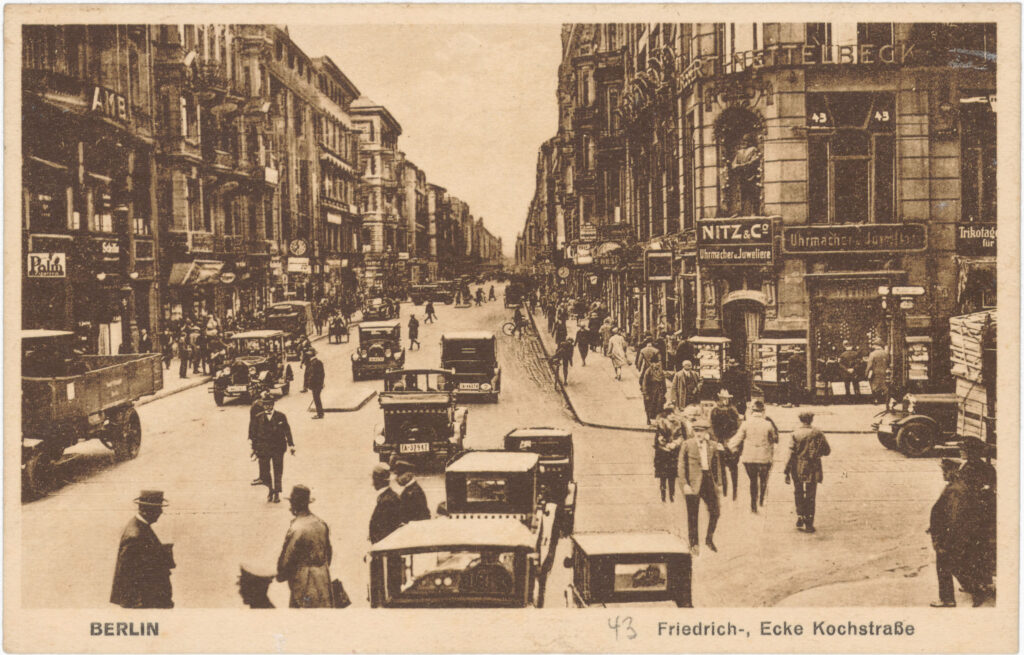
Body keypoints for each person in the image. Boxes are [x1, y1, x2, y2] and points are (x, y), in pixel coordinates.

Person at [110, 490, 175, 608]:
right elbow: (129, 574)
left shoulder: (141, 527)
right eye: (157, 509)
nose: (161, 512)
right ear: (146, 510)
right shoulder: (136, 535)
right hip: (145, 602)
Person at [928, 458, 979, 607]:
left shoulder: (955, 490)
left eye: (944, 471)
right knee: (956, 565)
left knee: (944, 565)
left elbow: (954, 517)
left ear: (953, 472)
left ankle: (947, 599)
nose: (943, 474)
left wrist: (944, 539)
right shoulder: (956, 487)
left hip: (949, 535)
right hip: (951, 533)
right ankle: (974, 588)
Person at [276, 485, 333, 608]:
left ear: (296, 504)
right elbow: (329, 553)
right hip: (323, 580)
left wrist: (281, 574)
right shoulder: (321, 523)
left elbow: (287, 558)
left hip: (303, 582)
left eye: (292, 502)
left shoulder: (297, 528)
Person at [680, 417, 725, 555]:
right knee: (693, 515)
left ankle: (709, 539)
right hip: (693, 483)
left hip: (708, 481)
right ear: (693, 432)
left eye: (701, 431)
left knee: (715, 511)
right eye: (696, 431)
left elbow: (716, 466)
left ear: (706, 432)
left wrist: (719, 484)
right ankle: (694, 544)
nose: (699, 433)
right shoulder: (687, 444)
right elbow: (681, 466)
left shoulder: (712, 445)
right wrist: (685, 484)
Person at [727, 400, 778, 513]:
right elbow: (774, 438)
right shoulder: (768, 424)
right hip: (764, 458)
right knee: (764, 479)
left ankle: (753, 505)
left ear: (751, 411)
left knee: (753, 481)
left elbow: (737, 438)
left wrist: (729, 447)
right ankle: (761, 500)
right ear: (763, 411)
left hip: (749, 458)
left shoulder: (746, 423)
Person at [784, 411, 831, 533]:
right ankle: (809, 522)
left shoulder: (795, 433)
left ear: (800, 420)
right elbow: (827, 451)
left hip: (797, 465)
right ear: (811, 420)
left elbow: (790, 453)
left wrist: (786, 470)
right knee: (811, 494)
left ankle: (800, 515)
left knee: (798, 491)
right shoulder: (818, 433)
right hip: (813, 466)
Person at [249, 396, 295, 502]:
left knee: (278, 471)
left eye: (270, 404)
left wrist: (291, 445)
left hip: (278, 448)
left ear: (273, 405)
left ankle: (277, 493)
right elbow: (254, 434)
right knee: (264, 472)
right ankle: (270, 489)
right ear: (263, 406)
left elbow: (287, 431)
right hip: (263, 449)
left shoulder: (281, 416)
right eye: (266, 405)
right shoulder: (258, 417)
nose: (268, 407)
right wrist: (253, 449)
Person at [710, 389, 741, 501]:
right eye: (723, 398)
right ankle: (725, 492)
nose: (725, 400)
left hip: (731, 443)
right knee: (722, 470)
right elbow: (713, 428)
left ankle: (735, 492)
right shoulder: (715, 411)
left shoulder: (733, 410)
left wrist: (734, 441)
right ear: (720, 399)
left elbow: (738, 427)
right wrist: (718, 442)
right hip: (721, 443)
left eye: (727, 398)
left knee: (733, 468)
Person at [653, 406, 683, 502]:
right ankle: (663, 494)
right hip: (663, 453)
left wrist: (675, 443)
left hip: (673, 453)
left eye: (673, 414)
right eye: (670, 414)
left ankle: (672, 495)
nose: (673, 416)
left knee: (672, 475)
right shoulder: (661, 424)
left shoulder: (678, 424)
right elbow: (659, 437)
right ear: (666, 415)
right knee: (663, 475)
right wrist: (666, 445)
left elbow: (680, 436)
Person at [369, 464, 402, 544]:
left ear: (378, 481)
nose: (372, 483)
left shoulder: (387, 501)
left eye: (373, 479)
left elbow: (386, 529)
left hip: (385, 546)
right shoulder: (389, 496)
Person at [392, 459, 431, 524]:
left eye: (399, 475)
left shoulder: (414, 492)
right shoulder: (411, 489)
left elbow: (421, 516)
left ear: (409, 475)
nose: (396, 478)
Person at [640, 356, 667, 424]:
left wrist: (664, 391)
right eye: (655, 363)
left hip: (659, 391)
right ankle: (648, 419)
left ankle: (658, 421)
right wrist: (645, 393)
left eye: (658, 363)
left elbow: (663, 382)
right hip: (650, 392)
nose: (657, 364)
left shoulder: (660, 371)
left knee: (659, 406)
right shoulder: (648, 371)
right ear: (652, 363)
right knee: (649, 407)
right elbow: (644, 383)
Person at [304, 348, 325, 419]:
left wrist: (309, 383)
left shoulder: (315, 363)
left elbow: (313, 375)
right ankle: (320, 413)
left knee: (316, 399)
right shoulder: (316, 362)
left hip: (316, 385)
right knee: (317, 399)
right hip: (317, 384)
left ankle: (320, 414)